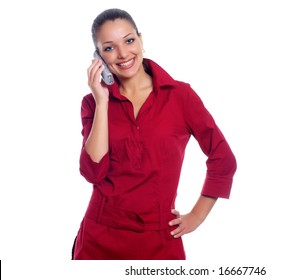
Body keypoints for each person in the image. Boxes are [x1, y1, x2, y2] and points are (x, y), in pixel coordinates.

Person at [72, 8, 237, 260]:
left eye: (129, 41)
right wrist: (102, 102)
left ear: (141, 40)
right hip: (99, 237)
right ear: (99, 57)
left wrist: (198, 215)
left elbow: (223, 158)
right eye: (109, 48)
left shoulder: (180, 96)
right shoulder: (92, 103)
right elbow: (93, 172)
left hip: (160, 238)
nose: (123, 53)